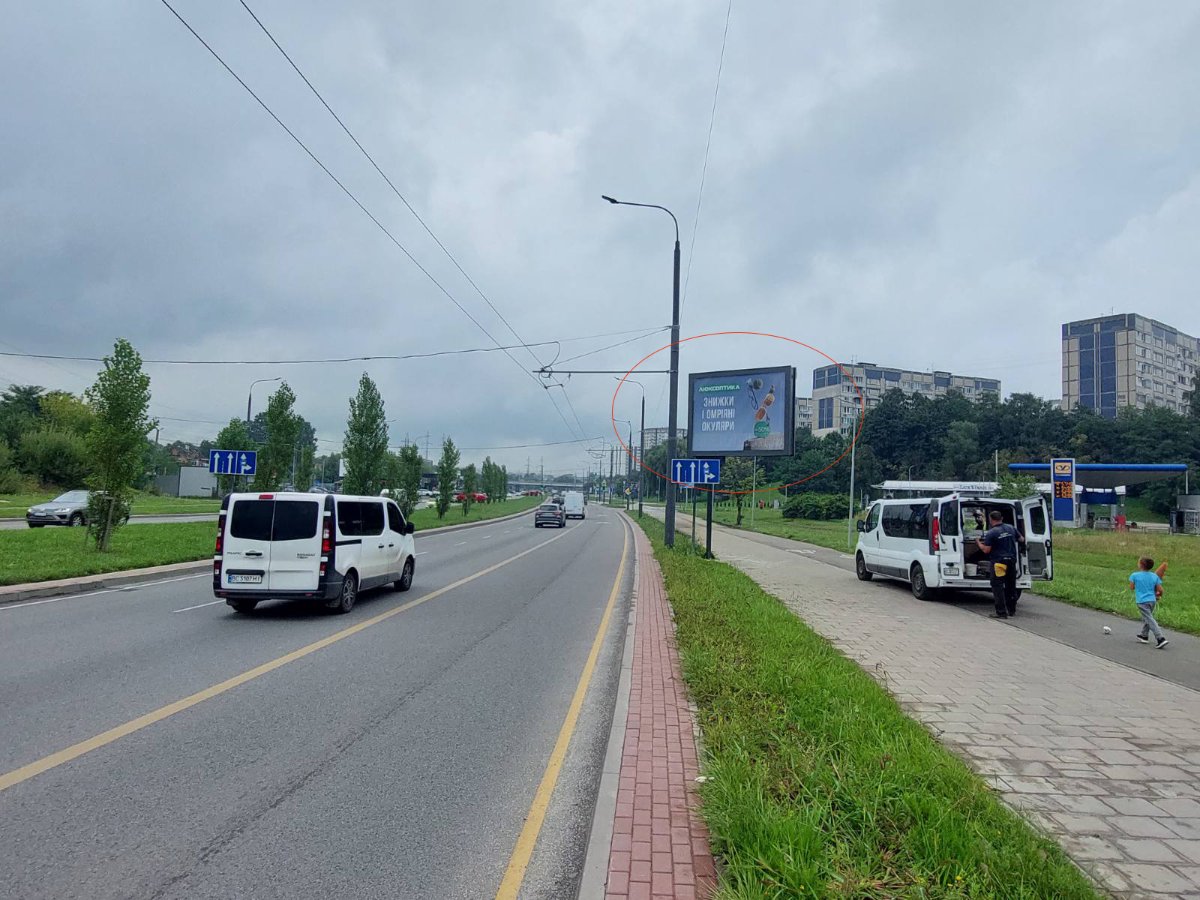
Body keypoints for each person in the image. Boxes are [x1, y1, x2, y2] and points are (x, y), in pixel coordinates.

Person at [978, 510, 1024, 618]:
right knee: (1011, 586)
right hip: (1011, 561)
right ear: (1001, 518)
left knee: (997, 586)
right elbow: (1021, 539)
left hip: (999, 563)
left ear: (990, 519)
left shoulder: (992, 533)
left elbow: (986, 550)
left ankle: (1001, 612)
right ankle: (1012, 610)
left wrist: (978, 543)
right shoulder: (1011, 528)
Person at [1130, 556, 1168, 649]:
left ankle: (1160, 638)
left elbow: (1132, 587)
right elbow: (1160, 590)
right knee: (1148, 617)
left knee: (1150, 619)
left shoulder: (1134, 575)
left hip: (1142, 601)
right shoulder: (1154, 576)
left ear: (1141, 565)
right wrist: (1158, 595)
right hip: (1152, 600)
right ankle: (1144, 635)